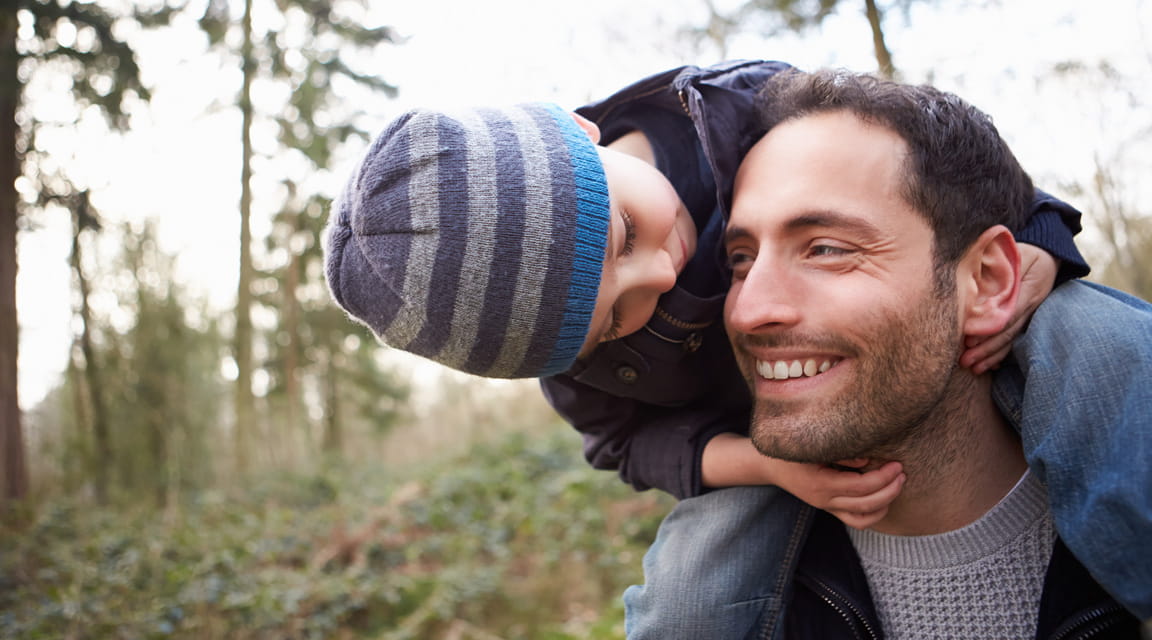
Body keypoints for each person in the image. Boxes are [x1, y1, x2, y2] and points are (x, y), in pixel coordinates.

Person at [324, 61, 1152, 635]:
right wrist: (768, 466)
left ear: (583, 131)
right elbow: (625, 445)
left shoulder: (744, 112)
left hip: (979, 311)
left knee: (1092, 338)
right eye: (617, 319)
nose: (660, 274)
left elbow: (943, 169)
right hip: (764, 443)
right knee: (692, 588)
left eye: (624, 235)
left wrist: (1040, 249)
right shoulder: (578, 372)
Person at [637, 68, 1144, 638]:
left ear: (987, 280)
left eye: (826, 249)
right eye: (741, 259)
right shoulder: (714, 605)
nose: (749, 311)